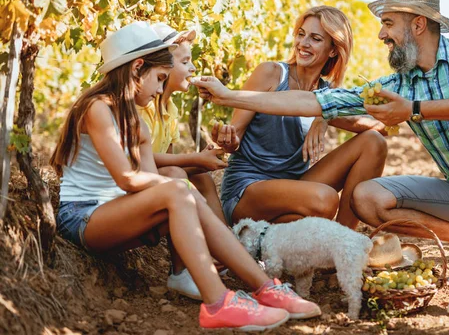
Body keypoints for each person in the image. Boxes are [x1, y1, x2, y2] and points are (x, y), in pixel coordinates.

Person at [194, 0, 449, 315]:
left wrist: (413, 111)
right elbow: (318, 102)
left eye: (388, 23)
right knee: (366, 198)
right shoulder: (397, 84)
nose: (381, 33)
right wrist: (230, 95)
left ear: (417, 25)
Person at [50, 21, 321, 331]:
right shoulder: (98, 108)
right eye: (159, 78)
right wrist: (179, 189)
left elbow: (148, 179)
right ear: (138, 67)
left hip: (112, 214)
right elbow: (128, 180)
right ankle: (219, 303)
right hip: (83, 217)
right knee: (179, 189)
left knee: (180, 191)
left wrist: (178, 198)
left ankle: (266, 288)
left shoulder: (135, 119)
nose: (159, 89)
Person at [206, 5, 388, 229]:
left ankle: (344, 241)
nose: (303, 43)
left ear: (333, 50)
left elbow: (380, 128)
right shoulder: (271, 73)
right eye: (301, 34)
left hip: (297, 190)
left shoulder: (326, 94)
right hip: (250, 191)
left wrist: (325, 116)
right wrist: (227, 140)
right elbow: (234, 141)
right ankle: (325, 238)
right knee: (325, 199)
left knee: (373, 143)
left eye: (315, 38)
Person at [137, 23, 227, 226]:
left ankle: (226, 239)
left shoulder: (171, 109)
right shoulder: (142, 106)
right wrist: (195, 157)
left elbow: (168, 159)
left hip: (154, 178)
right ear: (164, 66)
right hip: (136, 180)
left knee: (202, 176)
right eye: (185, 62)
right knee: (177, 174)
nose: (193, 68)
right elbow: (143, 160)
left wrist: (207, 159)